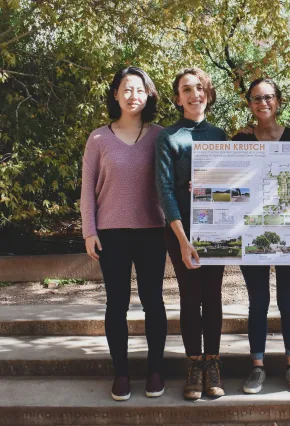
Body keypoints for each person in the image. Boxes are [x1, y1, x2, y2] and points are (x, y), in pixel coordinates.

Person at [80, 67, 167, 401]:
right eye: (126, 89)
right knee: (116, 303)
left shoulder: (160, 135)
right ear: (115, 93)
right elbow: (87, 187)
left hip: (152, 231)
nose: (133, 96)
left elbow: (172, 181)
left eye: (140, 90)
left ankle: (155, 370)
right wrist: (89, 231)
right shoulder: (98, 138)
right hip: (111, 233)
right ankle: (121, 373)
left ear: (149, 96)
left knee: (153, 301)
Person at [233, 78, 290, 394]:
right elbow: (226, 181)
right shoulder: (239, 139)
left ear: (277, 101)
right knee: (258, 301)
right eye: (256, 98)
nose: (263, 103)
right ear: (249, 103)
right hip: (252, 234)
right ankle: (257, 369)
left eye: (268, 97)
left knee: (288, 301)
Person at [155, 68, 227, 400]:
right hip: (180, 230)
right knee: (190, 297)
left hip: (217, 227)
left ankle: (212, 363)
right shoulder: (168, 137)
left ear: (208, 93)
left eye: (199, 88)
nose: (194, 94)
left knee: (212, 297)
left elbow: (234, 184)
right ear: (177, 98)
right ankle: (193, 365)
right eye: (186, 89)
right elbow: (165, 192)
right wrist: (183, 241)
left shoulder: (220, 134)